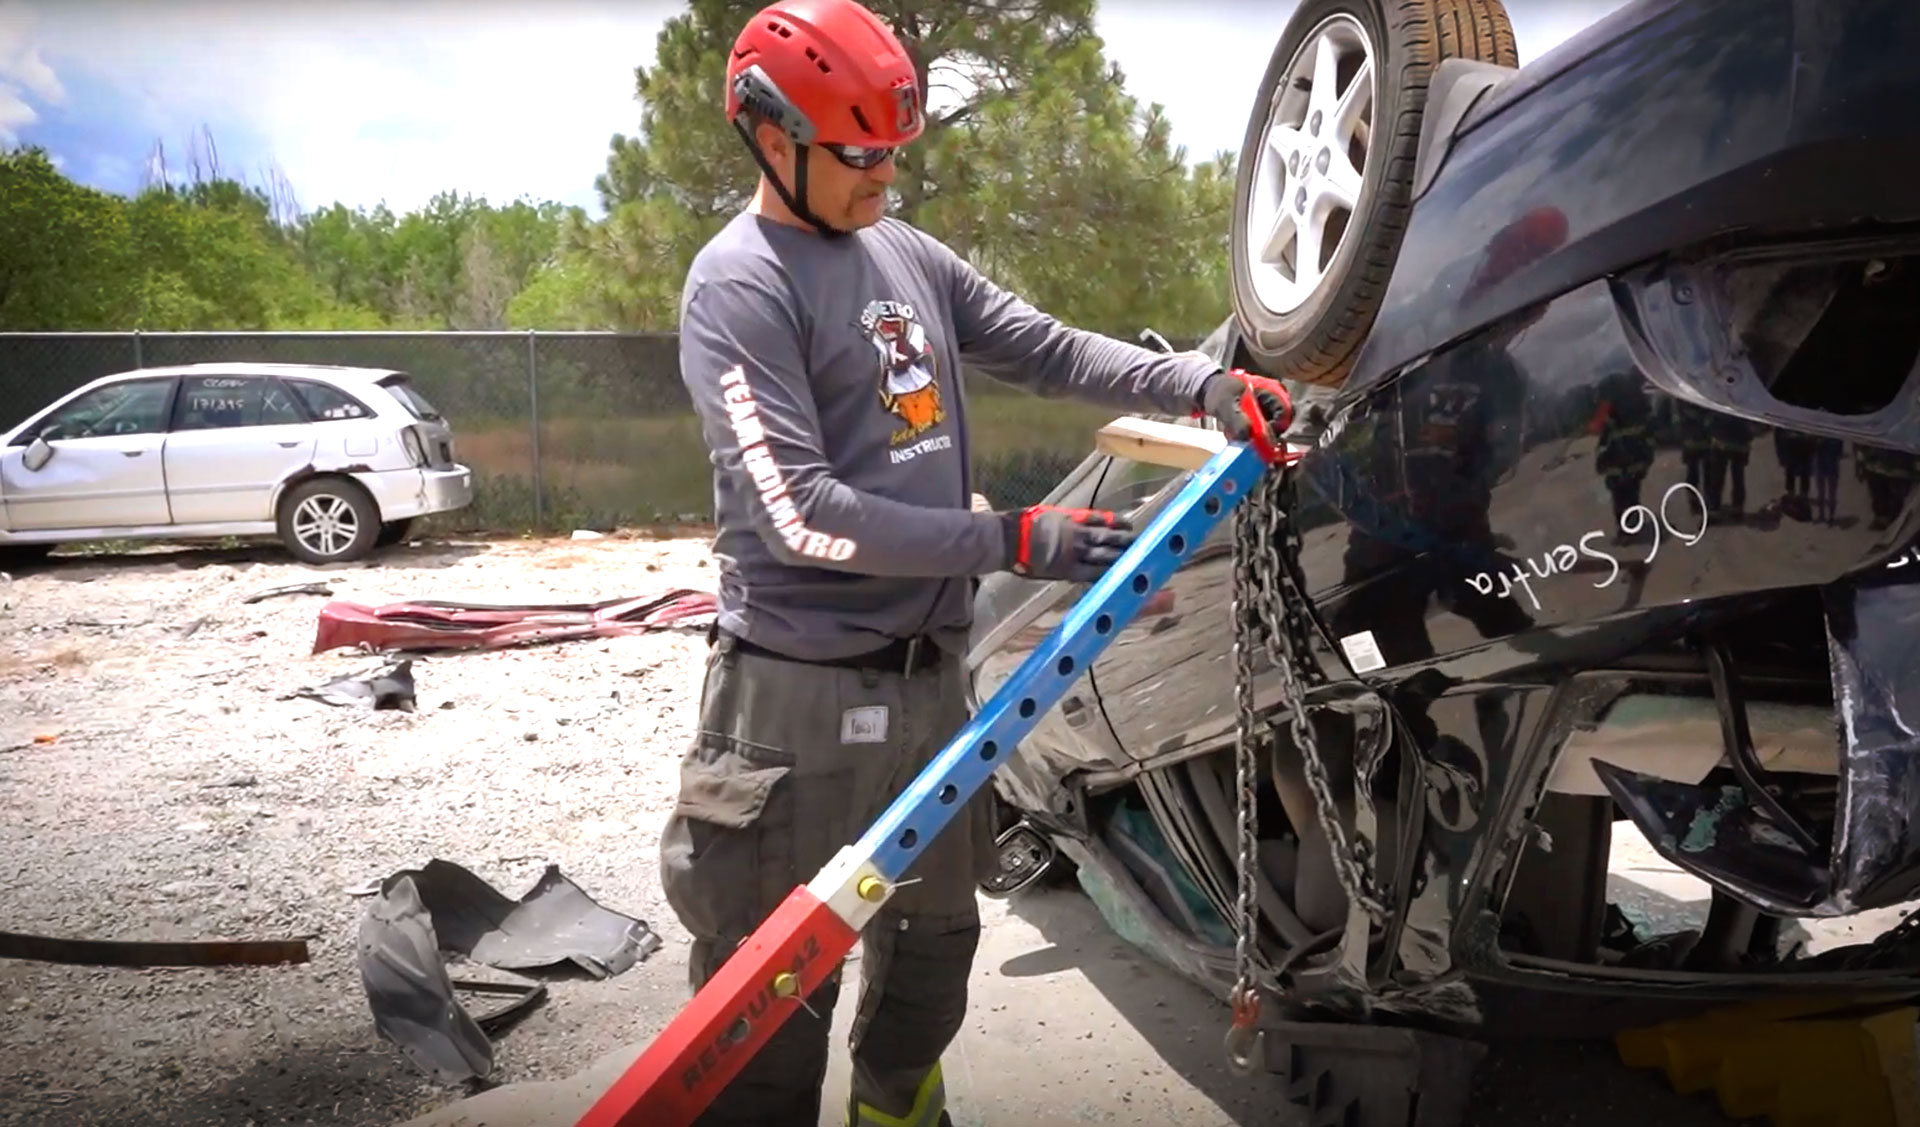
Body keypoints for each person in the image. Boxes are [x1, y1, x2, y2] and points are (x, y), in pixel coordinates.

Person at [656, 2, 1292, 1124]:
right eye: (857, 152)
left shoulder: (904, 254)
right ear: (769, 136)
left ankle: (900, 1113)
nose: (883, 175)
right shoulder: (739, 286)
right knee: (771, 994)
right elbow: (802, 515)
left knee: (934, 949)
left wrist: (1200, 384)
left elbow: (1044, 344)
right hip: (794, 701)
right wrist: (1012, 541)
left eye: (896, 150)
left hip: (928, 682)